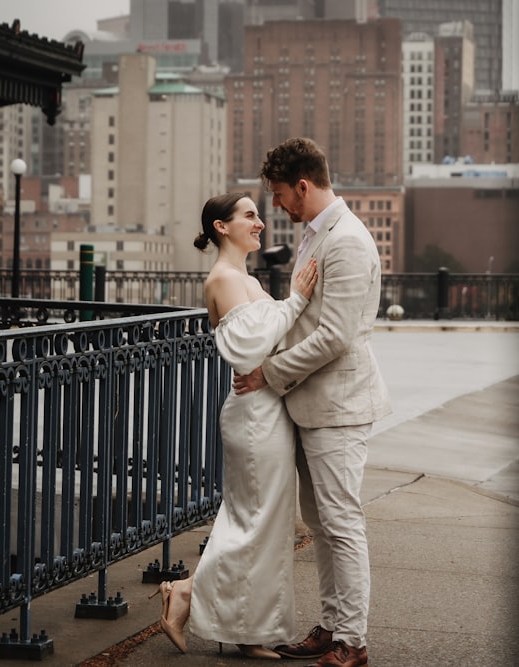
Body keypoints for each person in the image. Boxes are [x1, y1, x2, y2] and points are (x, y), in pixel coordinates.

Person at [234, 137, 391, 667]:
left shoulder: (345, 240)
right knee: (321, 522)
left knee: (341, 522)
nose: (275, 205)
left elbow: (335, 336)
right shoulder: (317, 235)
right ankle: (332, 626)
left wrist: (267, 373)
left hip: (339, 406)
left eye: (279, 195)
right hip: (314, 404)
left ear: (303, 185)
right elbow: (305, 316)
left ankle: (352, 642)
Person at [153, 192, 319, 660]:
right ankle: (186, 592)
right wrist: (298, 297)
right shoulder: (224, 278)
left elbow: (277, 335)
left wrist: (294, 304)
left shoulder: (243, 278)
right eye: (249, 215)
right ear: (221, 227)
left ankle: (248, 629)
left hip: (266, 409)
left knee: (263, 524)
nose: (260, 222)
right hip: (253, 416)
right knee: (253, 522)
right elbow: (249, 351)